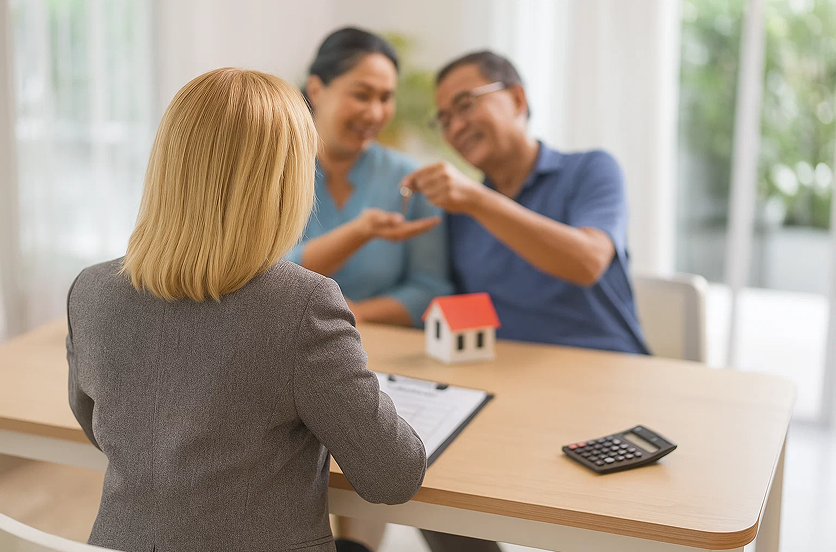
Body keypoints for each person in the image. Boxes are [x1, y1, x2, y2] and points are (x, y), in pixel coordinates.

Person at [66, 68, 426, 552]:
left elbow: (99, 427)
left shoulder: (90, 291)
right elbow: (392, 477)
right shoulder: (305, 305)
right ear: (285, 182)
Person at [407, 50, 650, 552]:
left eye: (466, 104)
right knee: (419, 479)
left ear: (517, 98)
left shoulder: (591, 170)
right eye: (444, 118)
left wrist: (476, 199)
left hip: (608, 389)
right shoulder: (457, 213)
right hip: (509, 397)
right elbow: (441, 305)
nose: (454, 127)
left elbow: (586, 260)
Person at [288, 28, 452, 327]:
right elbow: (263, 276)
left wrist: (355, 315)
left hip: (382, 356)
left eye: (386, 98)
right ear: (315, 89)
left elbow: (430, 289)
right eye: (361, 95)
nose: (375, 113)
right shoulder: (274, 173)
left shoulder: (410, 178)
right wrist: (359, 232)